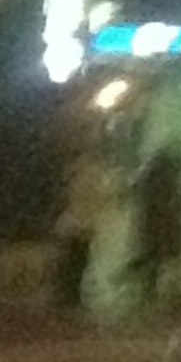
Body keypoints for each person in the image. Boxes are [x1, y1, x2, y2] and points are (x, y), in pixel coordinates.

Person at [51, 129, 113, 317]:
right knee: (77, 258)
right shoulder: (91, 172)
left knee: (75, 258)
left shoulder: (79, 171)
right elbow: (94, 195)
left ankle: (68, 296)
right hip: (81, 219)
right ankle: (69, 297)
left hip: (79, 218)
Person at [130, 134, 181, 314]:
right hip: (165, 221)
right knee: (162, 256)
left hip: (154, 220)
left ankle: (149, 288)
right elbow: (175, 199)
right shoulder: (168, 176)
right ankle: (157, 290)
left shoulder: (150, 174)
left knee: (154, 256)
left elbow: (140, 191)